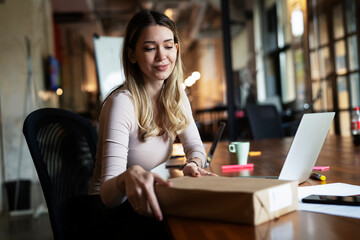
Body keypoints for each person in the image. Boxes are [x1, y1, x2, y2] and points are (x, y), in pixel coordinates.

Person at [87, 9, 216, 239]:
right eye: (149, 48)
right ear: (132, 55)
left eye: (168, 46)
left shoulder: (177, 96)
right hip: (106, 214)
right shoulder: (122, 104)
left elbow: (196, 148)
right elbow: (107, 194)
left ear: (176, 48)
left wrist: (193, 164)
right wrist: (126, 178)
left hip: (140, 204)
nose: (161, 56)